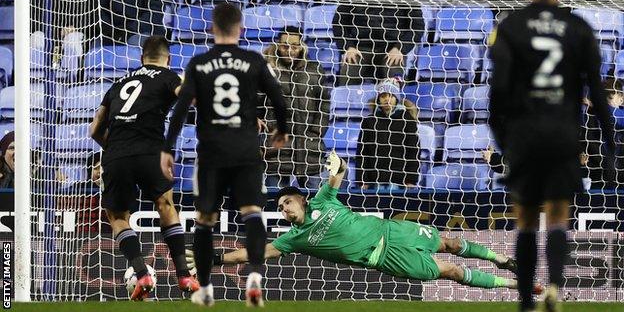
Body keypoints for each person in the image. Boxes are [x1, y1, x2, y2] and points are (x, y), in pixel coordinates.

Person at [186, 152, 545, 295]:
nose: (283, 209)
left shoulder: (324, 199)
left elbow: (339, 172)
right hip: (385, 258)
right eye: (279, 207)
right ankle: (515, 285)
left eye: (287, 201)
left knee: (450, 242)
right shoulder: (293, 239)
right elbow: (254, 252)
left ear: (302, 199)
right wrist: (215, 260)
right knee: (449, 270)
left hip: (392, 229)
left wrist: (335, 165)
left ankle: (503, 260)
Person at [489, 0, 615, 311]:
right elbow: (599, 94)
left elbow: (497, 91)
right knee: (559, 214)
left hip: (524, 134)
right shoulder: (578, 27)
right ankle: (556, 286)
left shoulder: (509, 26)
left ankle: (527, 301)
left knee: (527, 218)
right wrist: (609, 139)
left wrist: (503, 138)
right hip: (562, 132)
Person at [160, 3, 289, 307]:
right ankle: (255, 276)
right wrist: (280, 130)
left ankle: (205, 288)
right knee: (252, 213)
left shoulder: (200, 62)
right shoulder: (254, 60)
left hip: (212, 154)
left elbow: (181, 109)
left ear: (211, 28)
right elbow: (278, 97)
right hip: (246, 150)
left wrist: (167, 147)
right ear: (240, 29)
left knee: (205, 220)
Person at [89, 35, 199, 300]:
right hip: (151, 152)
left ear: (140, 58)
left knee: (117, 218)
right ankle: (184, 276)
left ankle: (142, 274)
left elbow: (94, 129)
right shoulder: (167, 76)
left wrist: (115, 150)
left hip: (116, 155)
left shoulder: (119, 83)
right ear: (168, 58)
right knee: (166, 206)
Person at [332, 0, 424, 86]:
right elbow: (339, 22)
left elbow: (417, 25)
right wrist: (348, 47)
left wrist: (400, 49)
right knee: (349, 71)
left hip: (391, 49)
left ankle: (396, 104)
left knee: (394, 79)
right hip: (361, 48)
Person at [262, 26, 330, 190]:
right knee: (275, 205)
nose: (290, 50)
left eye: (294, 46)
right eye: (285, 46)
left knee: (316, 205)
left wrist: (317, 130)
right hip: (276, 150)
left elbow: (324, 103)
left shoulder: (314, 70)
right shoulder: (267, 70)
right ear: (278, 45)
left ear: (302, 46)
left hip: (309, 149)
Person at [356, 78, 419, 190]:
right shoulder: (369, 122)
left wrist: (411, 180)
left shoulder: (408, 121)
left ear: (396, 98)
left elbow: (413, 152)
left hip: (400, 181)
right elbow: (362, 153)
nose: (387, 99)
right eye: (383, 96)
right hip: (374, 181)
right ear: (378, 99)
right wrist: (362, 180)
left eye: (390, 95)